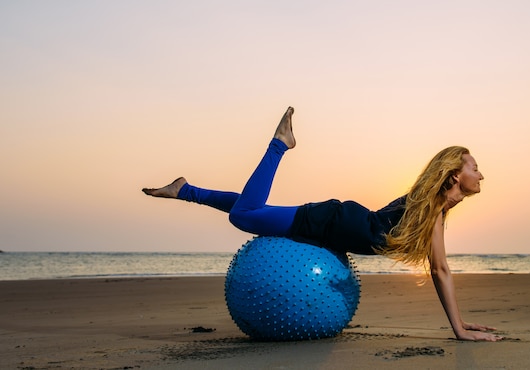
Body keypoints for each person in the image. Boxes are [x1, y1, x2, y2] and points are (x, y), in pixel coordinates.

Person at [143, 106, 501, 342]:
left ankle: (185, 190)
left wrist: (460, 324)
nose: (481, 173)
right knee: (245, 216)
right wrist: (459, 329)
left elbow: (442, 269)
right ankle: (280, 144)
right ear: (455, 174)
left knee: (253, 209)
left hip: (333, 226)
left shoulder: (433, 208)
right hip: (331, 221)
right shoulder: (432, 206)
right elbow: (440, 270)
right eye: (474, 168)